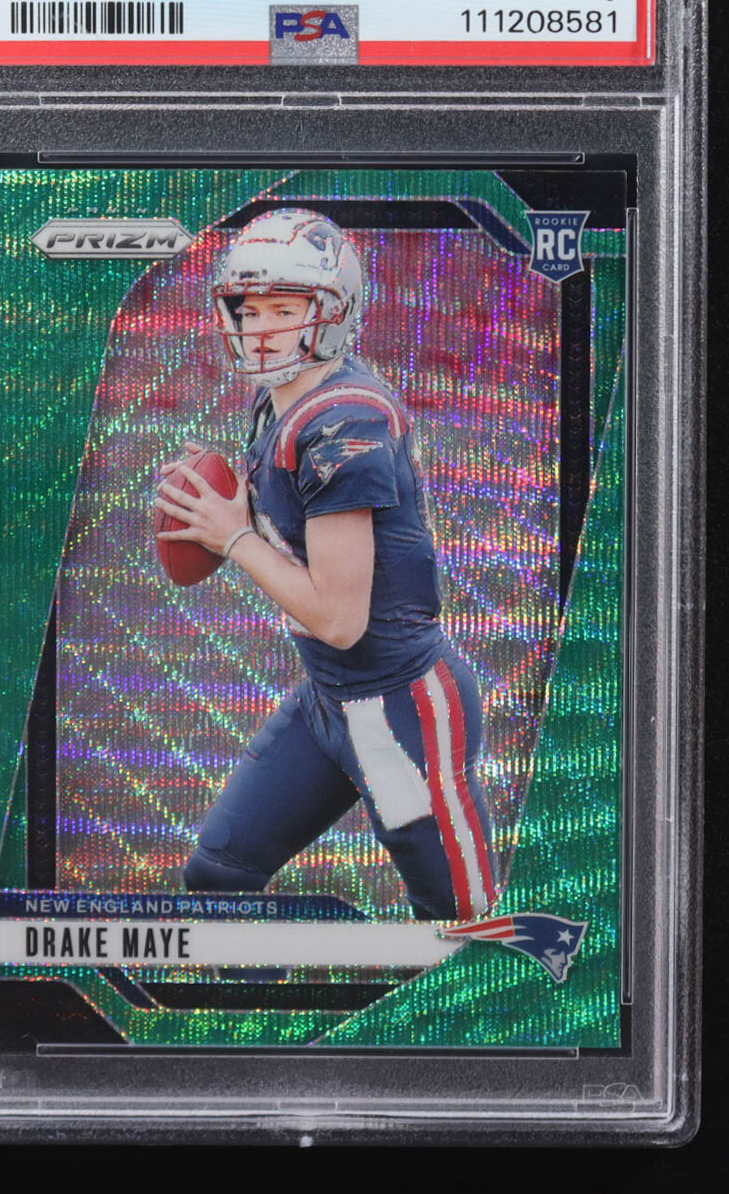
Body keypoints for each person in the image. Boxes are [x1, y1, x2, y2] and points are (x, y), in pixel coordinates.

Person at [154, 209, 496, 921]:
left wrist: (235, 537)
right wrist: (231, 509)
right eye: (250, 310)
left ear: (335, 313)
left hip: (399, 708)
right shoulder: (282, 396)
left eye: (286, 310)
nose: (263, 329)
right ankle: (294, 991)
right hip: (329, 699)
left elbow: (340, 620)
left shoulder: (344, 423)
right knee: (219, 875)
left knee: (465, 931)